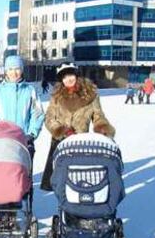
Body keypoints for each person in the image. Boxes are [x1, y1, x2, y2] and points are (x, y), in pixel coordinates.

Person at [0, 55, 45, 229]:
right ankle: (2, 215)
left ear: (22, 70)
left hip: (24, 142)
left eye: (17, 69)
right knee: (1, 179)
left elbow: (38, 114)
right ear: (5, 71)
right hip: (2, 143)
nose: (14, 72)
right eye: (10, 69)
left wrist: (31, 134)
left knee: (20, 179)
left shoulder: (29, 91)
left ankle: (15, 212)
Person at [40, 62, 115, 191]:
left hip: (80, 143)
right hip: (60, 143)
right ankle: (63, 208)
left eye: (70, 75)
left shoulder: (91, 95)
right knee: (60, 183)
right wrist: (62, 130)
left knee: (78, 180)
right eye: (64, 77)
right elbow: (49, 118)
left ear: (76, 75)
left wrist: (103, 129)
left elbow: (98, 116)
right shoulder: (57, 96)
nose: (68, 80)